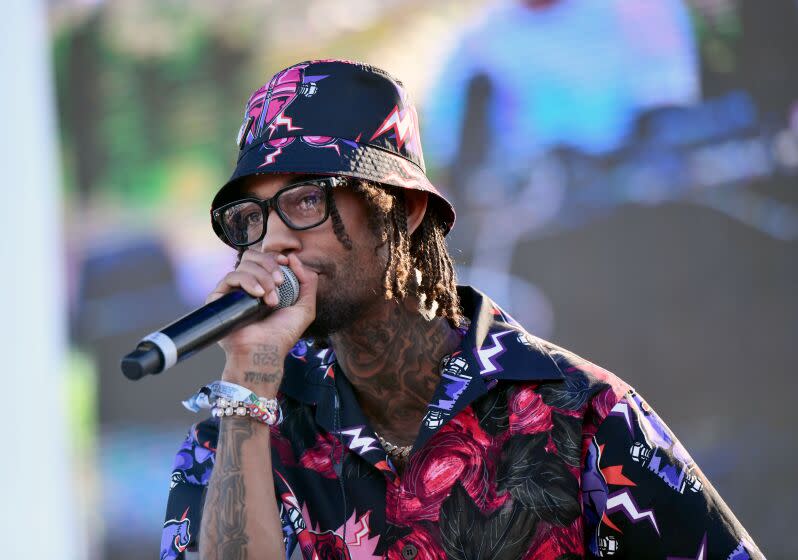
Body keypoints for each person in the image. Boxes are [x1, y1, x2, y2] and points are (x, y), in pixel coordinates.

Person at [161, 60, 763, 560]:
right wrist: (250, 375)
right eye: (251, 218)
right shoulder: (233, 435)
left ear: (404, 211)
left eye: (307, 199)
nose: (273, 241)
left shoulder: (578, 413)